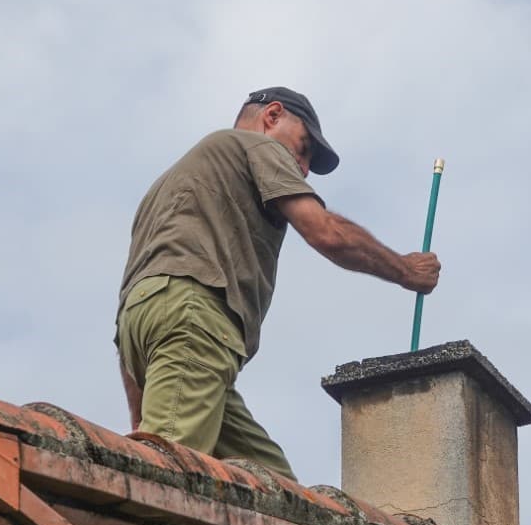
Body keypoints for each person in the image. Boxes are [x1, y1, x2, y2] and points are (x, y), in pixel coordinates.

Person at [116, 87, 440, 480]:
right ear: (272, 116)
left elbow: (138, 313)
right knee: (160, 481)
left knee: (280, 493)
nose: (301, 168)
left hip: (148, 332)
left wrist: (141, 418)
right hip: (195, 327)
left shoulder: (165, 189)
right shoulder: (256, 146)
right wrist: (406, 271)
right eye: (303, 149)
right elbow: (327, 233)